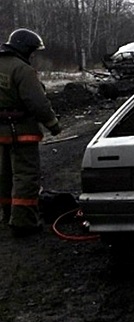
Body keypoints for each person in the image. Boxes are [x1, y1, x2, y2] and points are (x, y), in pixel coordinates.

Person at [0, 28, 62, 236]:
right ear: (25, 49)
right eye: (33, 52)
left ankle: (7, 213)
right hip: (21, 132)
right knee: (26, 175)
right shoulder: (23, 70)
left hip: (1, 133)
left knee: (5, 175)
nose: (33, 56)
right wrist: (53, 124)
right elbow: (38, 103)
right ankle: (23, 222)